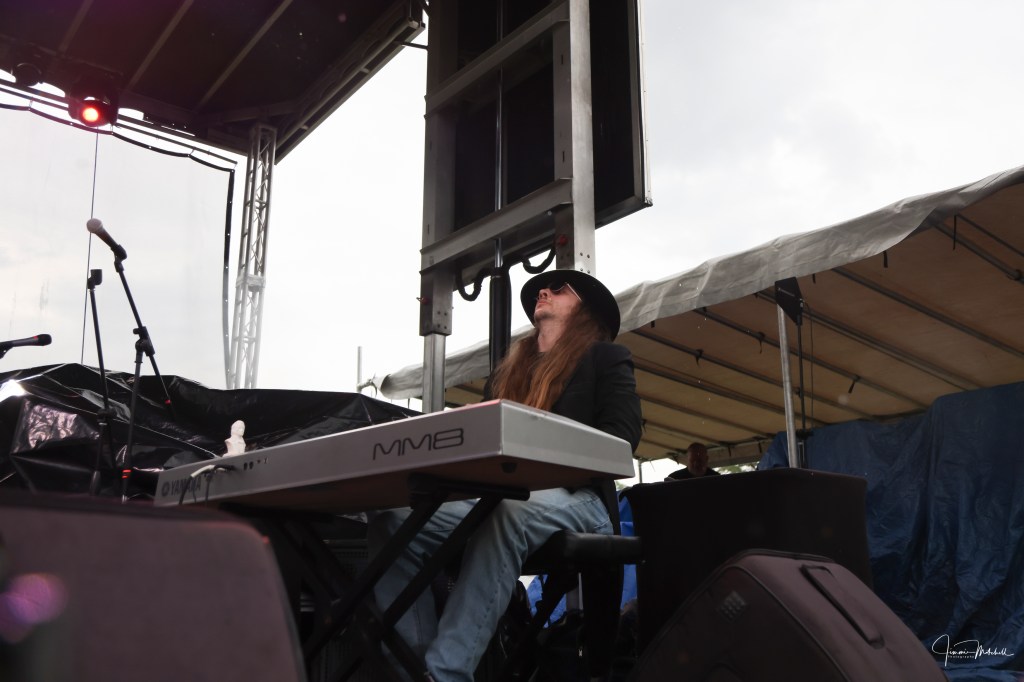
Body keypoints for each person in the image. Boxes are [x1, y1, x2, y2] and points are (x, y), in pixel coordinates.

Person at [368, 269, 642, 682]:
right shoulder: (508, 370)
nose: (543, 291)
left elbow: (622, 437)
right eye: (542, 288)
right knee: (392, 519)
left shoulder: (606, 357)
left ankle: (445, 675)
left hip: (580, 499)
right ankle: (413, 668)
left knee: (506, 512)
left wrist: (541, 448)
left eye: (558, 288)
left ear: (586, 308)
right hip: (506, 497)